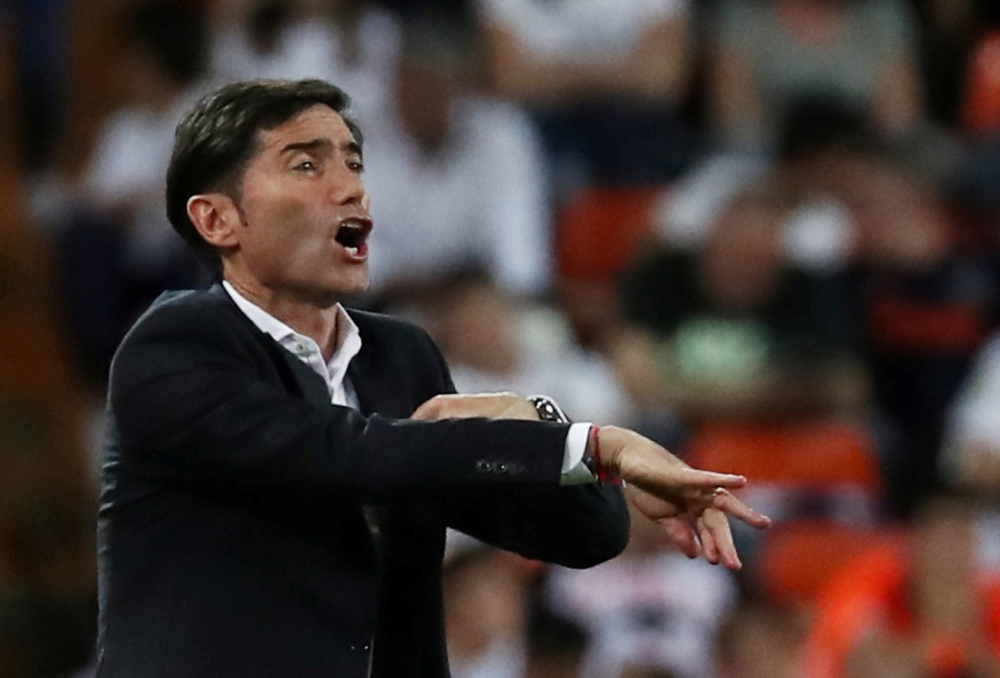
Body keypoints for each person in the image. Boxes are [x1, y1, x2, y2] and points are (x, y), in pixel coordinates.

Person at [95, 78, 770, 677]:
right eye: (306, 165)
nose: (351, 186)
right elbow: (350, 455)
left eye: (354, 163)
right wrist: (598, 447)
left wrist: (536, 420)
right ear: (217, 219)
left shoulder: (400, 357)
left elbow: (586, 535)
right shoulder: (175, 347)